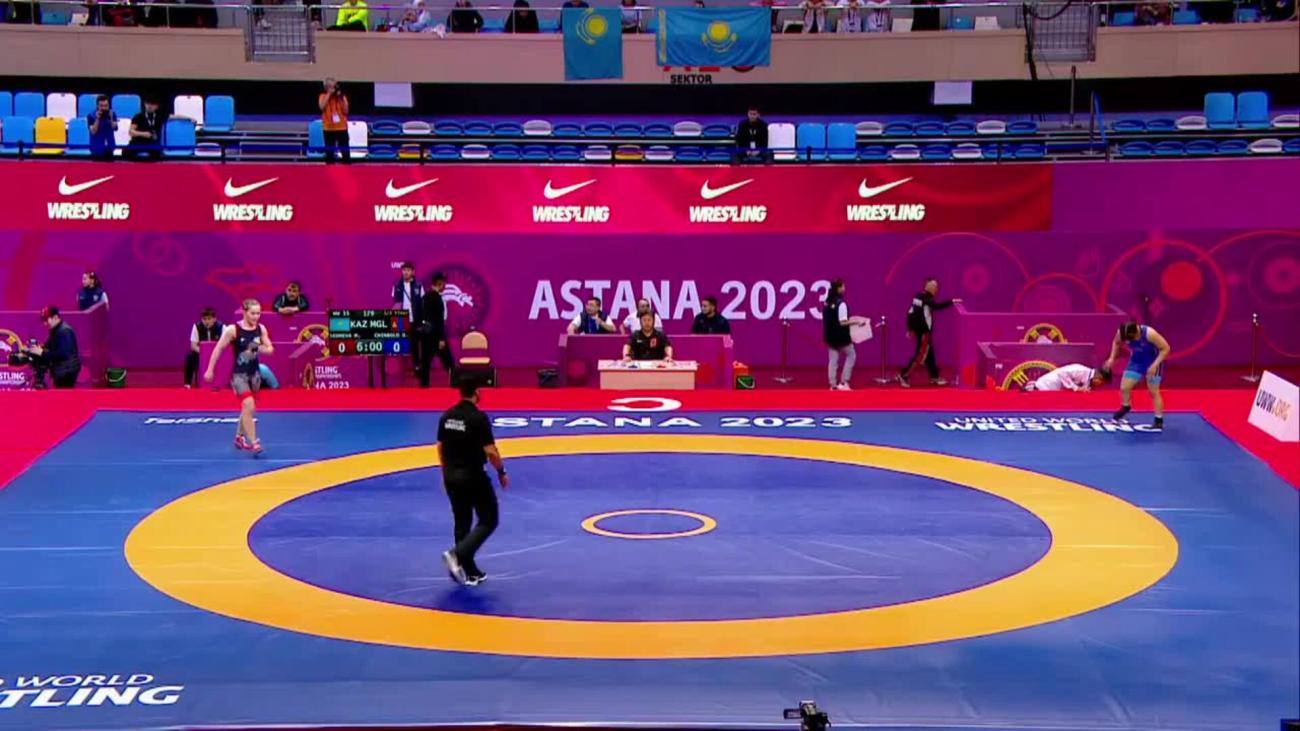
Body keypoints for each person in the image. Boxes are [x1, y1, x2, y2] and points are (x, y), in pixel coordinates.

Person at [438, 377, 509, 586]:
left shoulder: (447, 416)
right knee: (489, 519)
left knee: (462, 521)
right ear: (477, 392)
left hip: (451, 476)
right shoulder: (478, 418)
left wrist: (445, 472)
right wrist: (501, 471)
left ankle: (469, 572)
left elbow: (440, 447)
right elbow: (490, 451)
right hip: (473, 476)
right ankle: (456, 555)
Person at [205, 299, 273, 455]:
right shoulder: (233, 330)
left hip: (254, 374)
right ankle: (254, 442)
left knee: (249, 408)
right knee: (248, 405)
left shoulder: (261, 328)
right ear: (244, 312)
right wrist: (210, 369)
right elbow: (218, 349)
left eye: (258, 313)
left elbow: (270, 349)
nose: (256, 317)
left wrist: (259, 348)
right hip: (239, 375)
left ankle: (239, 437)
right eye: (253, 313)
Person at [1104, 321, 1170, 431]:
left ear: (1135, 333)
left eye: (1130, 339)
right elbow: (1116, 342)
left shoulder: (1150, 334)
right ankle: (1126, 406)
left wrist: (1154, 365)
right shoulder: (1122, 333)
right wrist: (1111, 358)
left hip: (1153, 361)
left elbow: (1165, 348)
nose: (1128, 342)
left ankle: (1158, 420)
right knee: (1125, 387)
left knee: (1153, 391)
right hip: (1137, 361)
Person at [899, 276, 961, 388]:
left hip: (923, 332)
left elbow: (912, 313)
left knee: (930, 355)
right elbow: (935, 307)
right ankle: (904, 375)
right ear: (927, 286)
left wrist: (911, 329)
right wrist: (951, 301)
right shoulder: (924, 298)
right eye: (933, 286)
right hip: (924, 332)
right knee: (920, 356)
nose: (936, 288)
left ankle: (934, 376)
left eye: (936, 286)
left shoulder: (921, 297)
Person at [21, 307, 81, 390]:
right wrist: (32, 349)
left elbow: (64, 354)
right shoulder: (55, 330)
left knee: (64, 395)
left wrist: (42, 352)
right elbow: (47, 346)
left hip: (67, 372)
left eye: (46, 320)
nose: (45, 323)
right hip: (61, 371)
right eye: (43, 321)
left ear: (55, 317)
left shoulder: (65, 331)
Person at [823, 279, 866, 390]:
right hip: (841, 337)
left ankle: (833, 385)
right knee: (851, 355)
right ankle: (843, 382)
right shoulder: (841, 304)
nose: (844, 288)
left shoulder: (827, 302)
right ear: (838, 288)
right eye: (843, 286)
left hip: (830, 336)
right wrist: (857, 321)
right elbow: (843, 322)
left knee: (833, 359)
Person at [392, 262, 427, 382]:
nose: (406, 272)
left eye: (408, 270)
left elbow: (422, 305)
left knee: (416, 345)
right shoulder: (397, 285)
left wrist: (422, 321)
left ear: (413, 272)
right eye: (404, 270)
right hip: (402, 320)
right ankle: (402, 370)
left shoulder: (419, 285)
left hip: (415, 320)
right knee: (404, 344)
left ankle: (417, 367)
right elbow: (395, 304)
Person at [419, 271, 455, 387]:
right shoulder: (438, 299)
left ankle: (424, 388)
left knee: (425, 364)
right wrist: (441, 338)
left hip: (426, 336)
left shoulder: (424, 298)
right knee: (449, 363)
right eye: (444, 284)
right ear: (439, 284)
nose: (445, 286)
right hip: (436, 337)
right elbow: (440, 321)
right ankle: (456, 385)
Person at [185, 307, 224, 388]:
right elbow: (193, 346)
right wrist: (204, 353)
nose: (206, 321)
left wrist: (215, 353)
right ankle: (187, 383)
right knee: (190, 357)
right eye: (204, 319)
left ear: (214, 319)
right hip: (201, 354)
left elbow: (226, 344)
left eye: (209, 319)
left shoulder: (222, 327)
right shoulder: (197, 326)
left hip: (218, 354)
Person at [319, 78, 350, 163]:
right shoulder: (322, 96)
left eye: (335, 86)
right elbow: (322, 107)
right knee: (329, 155)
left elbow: (346, 111)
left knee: (345, 154)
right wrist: (329, 94)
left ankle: (347, 169)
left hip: (341, 128)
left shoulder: (341, 97)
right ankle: (330, 169)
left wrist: (341, 98)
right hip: (328, 128)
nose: (334, 88)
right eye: (331, 86)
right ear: (326, 87)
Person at [1023, 364, 1112, 392]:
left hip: (1057, 389)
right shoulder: (1081, 370)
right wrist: (1076, 388)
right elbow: (1062, 373)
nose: (1100, 385)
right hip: (1049, 384)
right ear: (1099, 376)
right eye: (1102, 382)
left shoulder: (1089, 381)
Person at [86, 95, 118, 161]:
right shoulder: (91, 116)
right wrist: (97, 118)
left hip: (109, 148)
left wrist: (111, 118)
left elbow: (114, 128)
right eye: (101, 106)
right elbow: (93, 132)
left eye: (106, 106)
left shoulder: (112, 114)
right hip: (96, 148)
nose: (104, 108)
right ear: (97, 106)